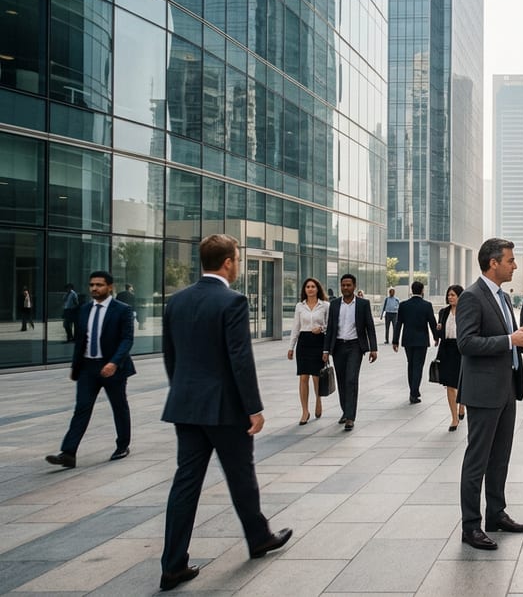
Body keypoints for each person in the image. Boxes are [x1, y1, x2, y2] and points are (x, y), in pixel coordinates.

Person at [159, 234, 291, 591]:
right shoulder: (232, 301)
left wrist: (184, 394)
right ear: (228, 262)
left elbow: (170, 356)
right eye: (237, 258)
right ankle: (259, 537)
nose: (238, 264)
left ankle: (172, 564)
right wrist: (254, 409)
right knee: (240, 476)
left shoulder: (177, 301)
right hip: (224, 409)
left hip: (185, 407)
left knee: (185, 484)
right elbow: (240, 360)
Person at [458, 238, 523, 551]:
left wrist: (521, 342)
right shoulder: (471, 296)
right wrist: (509, 340)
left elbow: (507, 339)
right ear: (493, 263)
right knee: (476, 461)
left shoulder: (503, 297)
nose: (514, 265)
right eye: (510, 260)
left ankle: (496, 514)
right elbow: (466, 343)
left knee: (500, 458)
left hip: (506, 388)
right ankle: (470, 526)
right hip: (482, 392)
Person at [45, 271, 136, 469]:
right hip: (88, 367)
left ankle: (122, 446)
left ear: (110, 287)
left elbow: (127, 339)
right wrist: (75, 366)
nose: (94, 288)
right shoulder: (84, 309)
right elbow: (81, 340)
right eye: (92, 285)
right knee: (82, 408)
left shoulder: (122, 310)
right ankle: (68, 453)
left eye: (99, 285)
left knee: (119, 407)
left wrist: (113, 363)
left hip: (113, 367)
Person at [323, 274, 378, 432]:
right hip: (338, 346)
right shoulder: (333, 305)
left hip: (355, 346)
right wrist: (326, 350)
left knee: (351, 380)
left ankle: (350, 417)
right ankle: (345, 411)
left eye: (348, 285)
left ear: (354, 286)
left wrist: (373, 348)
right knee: (341, 380)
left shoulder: (362, 304)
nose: (345, 288)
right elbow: (330, 329)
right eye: (343, 285)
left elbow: (370, 327)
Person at [287, 278, 328, 425]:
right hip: (304, 342)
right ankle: (305, 411)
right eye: (307, 287)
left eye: (313, 286)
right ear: (304, 290)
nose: (310, 289)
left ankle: (318, 400)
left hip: (318, 342)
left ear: (318, 289)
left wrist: (322, 328)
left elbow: (330, 326)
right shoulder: (300, 306)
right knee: (303, 377)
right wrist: (291, 347)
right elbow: (295, 327)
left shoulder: (325, 306)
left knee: (317, 376)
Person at [393, 281, 438, 403]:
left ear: (412, 290)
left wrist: (395, 340)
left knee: (411, 364)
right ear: (422, 290)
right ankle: (414, 392)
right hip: (421, 340)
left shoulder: (404, 305)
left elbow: (398, 323)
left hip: (408, 340)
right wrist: (436, 337)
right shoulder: (427, 305)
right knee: (418, 365)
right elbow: (432, 322)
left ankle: (413, 390)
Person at [435, 285, 466, 431]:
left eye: (453, 295)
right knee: (449, 384)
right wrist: (438, 330)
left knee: (461, 382)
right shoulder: (443, 312)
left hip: (461, 349)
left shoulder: (466, 312)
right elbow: (439, 331)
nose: (450, 297)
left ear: (460, 296)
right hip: (447, 349)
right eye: (449, 295)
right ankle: (454, 418)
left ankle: (462, 405)